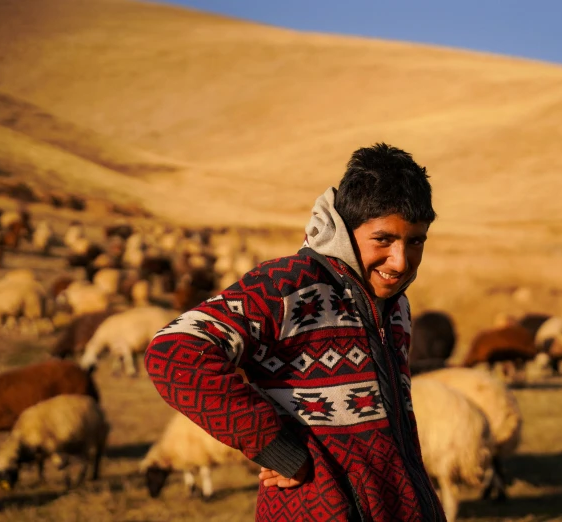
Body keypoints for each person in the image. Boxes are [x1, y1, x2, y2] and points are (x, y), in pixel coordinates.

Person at [144, 143, 446, 521]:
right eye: (383, 239)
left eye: (415, 241)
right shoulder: (289, 285)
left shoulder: (395, 305)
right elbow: (173, 351)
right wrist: (273, 444)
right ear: (347, 229)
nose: (400, 261)